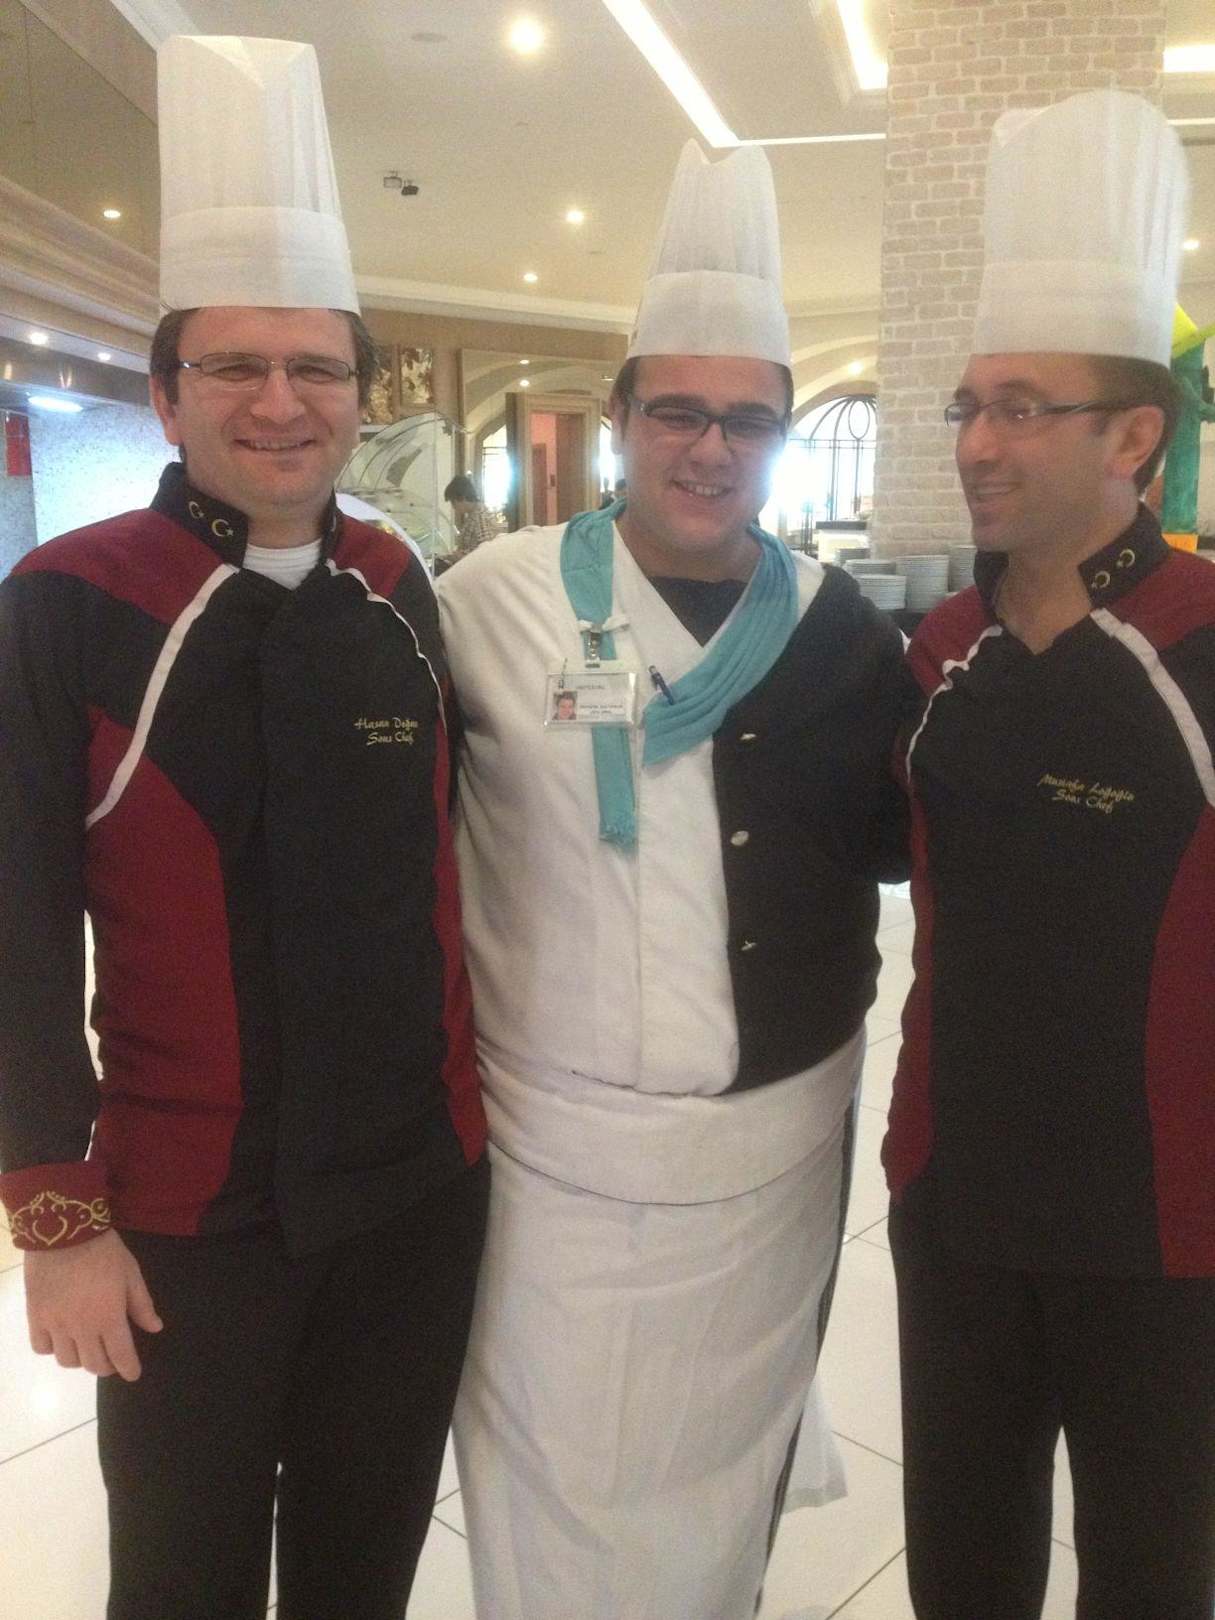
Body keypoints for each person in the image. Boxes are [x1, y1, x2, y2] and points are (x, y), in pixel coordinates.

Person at [0, 37, 486, 1620]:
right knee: (181, 1586)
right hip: (187, 1217)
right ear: (165, 394)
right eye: (232, 368)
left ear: (359, 393)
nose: (280, 403)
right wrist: (55, 1220)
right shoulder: (69, 600)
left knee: (364, 1571)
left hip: (415, 1197)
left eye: (317, 370)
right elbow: (15, 928)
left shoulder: (398, 588)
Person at [438, 140, 908, 1620]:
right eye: (679, 414)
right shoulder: (486, 604)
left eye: (748, 421)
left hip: (773, 1154)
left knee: (718, 1470)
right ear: (623, 419)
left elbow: (905, 837)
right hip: (554, 1156)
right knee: (554, 1468)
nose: (711, 450)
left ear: (780, 440)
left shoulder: (839, 629)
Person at [883, 91, 1215, 1620]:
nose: (975, 442)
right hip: (951, 1197)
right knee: (960, 1570)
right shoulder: (936, 648)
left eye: (1019, 407)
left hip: (1165, 1225)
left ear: (1131, 436)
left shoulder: (1197, 644)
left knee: (1148, 1577)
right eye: (966, 406)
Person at [444, 473, 497, 556]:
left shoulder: (480, 518)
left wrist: (460, 555)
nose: (453, 507)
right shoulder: (473, 514)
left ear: (462, 498)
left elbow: (485, 551)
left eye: (453, 502)